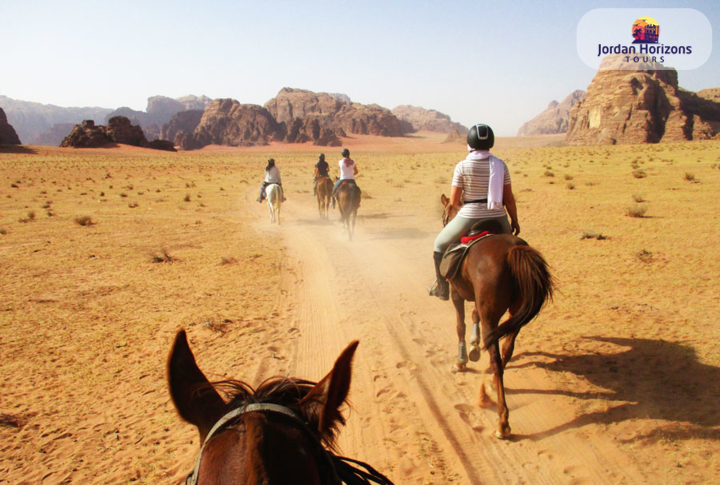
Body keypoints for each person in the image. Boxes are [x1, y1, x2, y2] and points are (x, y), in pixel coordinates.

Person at [429, 124, 520, 300]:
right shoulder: (501, 165)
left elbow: (454, 201)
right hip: (498, 215)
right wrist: (514, 220)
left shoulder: (462, 166)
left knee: (439, 244)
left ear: (470, 142)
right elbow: (509, 198)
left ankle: (442, 288)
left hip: (469, 216)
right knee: (514, 249)